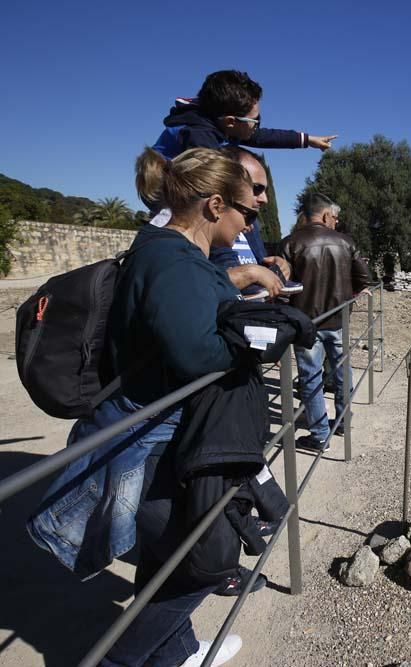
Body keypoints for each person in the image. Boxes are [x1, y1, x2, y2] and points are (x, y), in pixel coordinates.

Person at [30, 147, 256, 667]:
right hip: (145, 440)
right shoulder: (174, 261)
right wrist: (250, 343)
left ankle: (173, 656)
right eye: (249, 212)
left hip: (147, 430)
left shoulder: (166, 251)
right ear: (216, 206)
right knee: (203, 564)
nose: (250, 224)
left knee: (165, 555)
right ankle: (118, 662)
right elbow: (197, 353)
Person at [281, 193, 370, 452]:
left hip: (306, 323)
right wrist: (349, 297)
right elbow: (364, 277)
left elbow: (283, 288)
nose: (336, 221)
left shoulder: (290, 243)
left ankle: (320, 436)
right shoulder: (345, 242)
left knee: (310, 377)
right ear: (325, 215)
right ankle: (343, 422)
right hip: (338, 320)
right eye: (334, 216)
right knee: (343, 370)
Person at [152, 70, 335, 160]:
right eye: (255, 121)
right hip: (159, 189)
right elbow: (210, 178)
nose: (258, 126)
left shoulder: (220, 123)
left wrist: (309, 140)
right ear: (231, 121)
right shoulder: (199, 134)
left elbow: (265, 137)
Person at [209, 145, 298, 300]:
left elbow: (258, 274)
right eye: (256, 188)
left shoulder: (252, 225)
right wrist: (249, 274)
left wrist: (276, 268)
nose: (265, 199)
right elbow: (190, 286)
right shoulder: (183, 236)